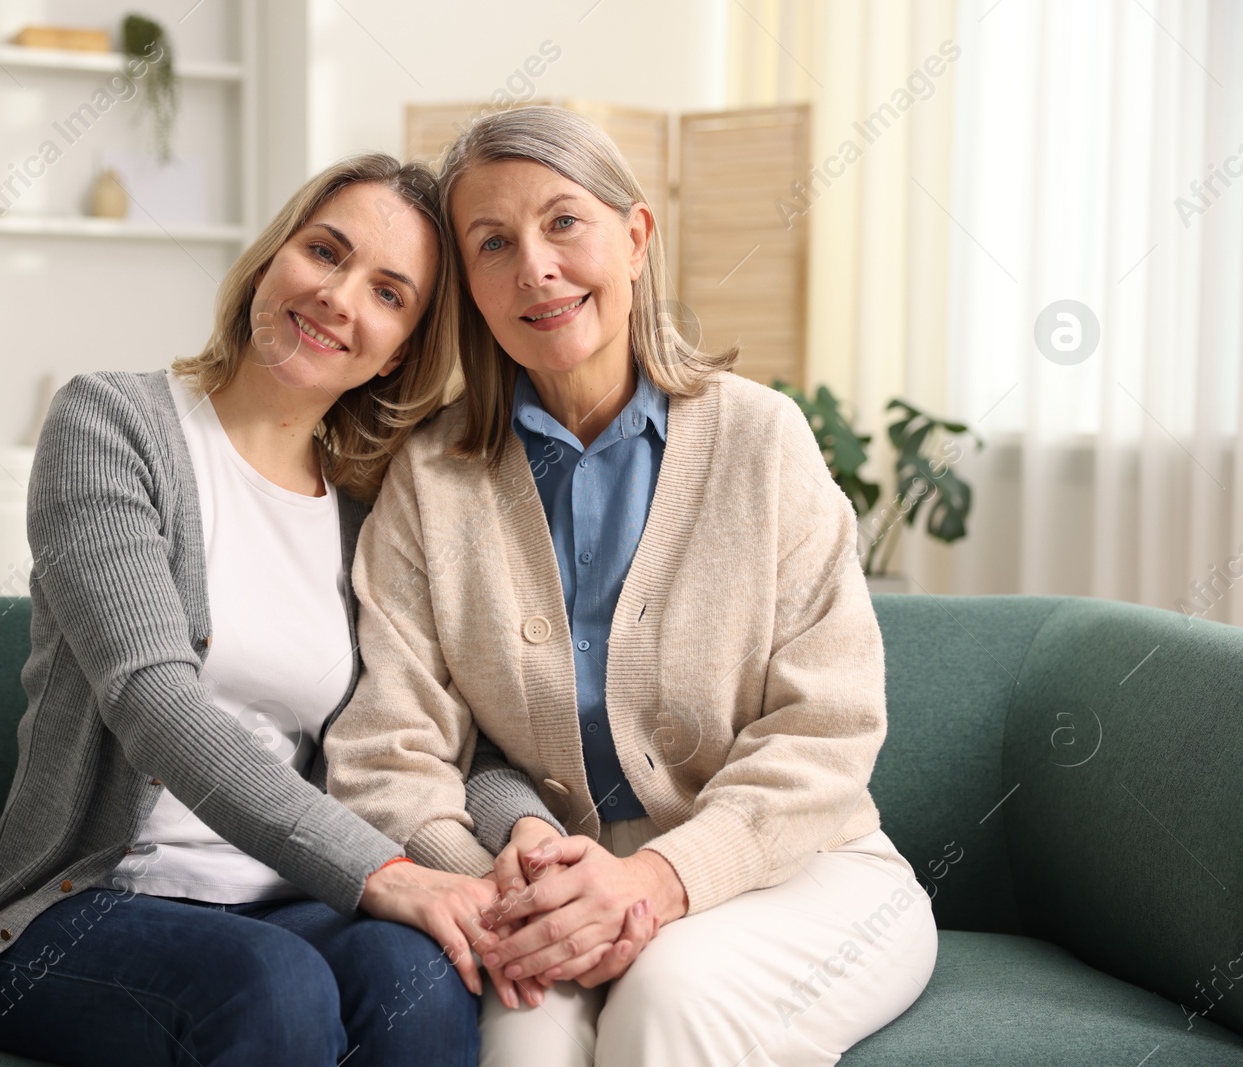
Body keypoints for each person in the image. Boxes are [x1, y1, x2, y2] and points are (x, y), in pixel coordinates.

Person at [324, 107, 939, 1067]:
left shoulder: (761, 441)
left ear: (637, 236)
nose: (534, 266)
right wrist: (497, 878)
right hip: (543, 890)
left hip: (802, 870)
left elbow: (830, 727)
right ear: (471, 289)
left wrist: (655, 877)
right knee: (518, 1049)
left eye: (564, 221)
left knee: (669, 994)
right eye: (493, 243)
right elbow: (388, 750)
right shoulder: (431, 477)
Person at [0, 152, 561, 1067]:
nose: (338, 298)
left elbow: (438, 734)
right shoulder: (112, 425)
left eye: (389, 294)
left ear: (404, 350)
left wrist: (524, 833)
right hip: (77, 914)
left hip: (291, 904)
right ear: (274, 256)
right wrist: (383, 872)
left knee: (422, 978)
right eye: (325, 251)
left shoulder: (373, 511)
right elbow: (154, 702)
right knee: (274, 983)